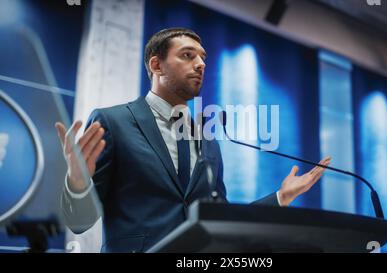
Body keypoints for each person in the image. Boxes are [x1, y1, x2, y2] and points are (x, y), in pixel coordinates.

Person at [55, 27, 331, 253]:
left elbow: (220, 219)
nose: (200, 64)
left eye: (202, 58)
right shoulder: (112, 122)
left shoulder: (207, 139)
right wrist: (78, 184)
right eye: (187, 55)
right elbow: (79, 223)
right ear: (156, 65)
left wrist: (282, 197)